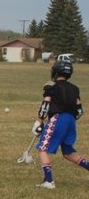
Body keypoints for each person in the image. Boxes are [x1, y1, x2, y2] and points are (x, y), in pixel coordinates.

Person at [32, 59, 89, 189]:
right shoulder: (75, 89)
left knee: (43, 148)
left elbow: (45, 106)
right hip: (70, 121)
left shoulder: (51, 87)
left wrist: (39, 122)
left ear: (55, 71)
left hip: (58, 118)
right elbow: (79, 111)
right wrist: (68, 120)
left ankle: (49, 181)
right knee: (68, 153)